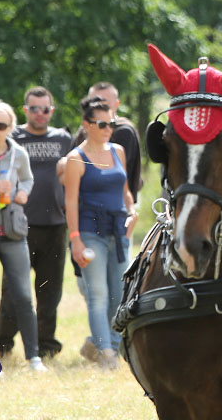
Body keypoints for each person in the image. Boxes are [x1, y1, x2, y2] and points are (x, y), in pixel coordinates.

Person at [0, 86, 73, 360]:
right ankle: (1, 343)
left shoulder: (63, 139)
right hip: (19, 225)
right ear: (25, 110)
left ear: (52, 111)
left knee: (50, 291)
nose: (41, 114)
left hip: (55, 225)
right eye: (35, 109)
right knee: (13, 289)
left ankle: (46, 345)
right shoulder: (13, 137)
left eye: (46, 109)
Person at [0, 101, 47, 373]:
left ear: (10, 128)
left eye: (0, 125)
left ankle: (34, 358)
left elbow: (27, 179)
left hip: (14, 232)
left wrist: (23, 192)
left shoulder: (18, 153)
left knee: (24, 296)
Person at [63, 96, 137, 370]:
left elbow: (125, 190)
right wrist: (76, 240)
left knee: (120, 294)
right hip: (89, 231)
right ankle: (107, 354)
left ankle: (109, 346)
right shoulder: (75, 158)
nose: (109, 129)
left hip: (118, 232)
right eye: (102, 124)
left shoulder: (118, 151)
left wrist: (132, 211)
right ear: (87, 125)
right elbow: (70, 202)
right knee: (98, 294)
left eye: (112, 123)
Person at [71, 82, 142, 202]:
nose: (99, 107)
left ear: (116, 104)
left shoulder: (124, 131)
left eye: (104, 103)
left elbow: (114, 175)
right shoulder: (82, 132)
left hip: (116, 204)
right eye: (94, 103)